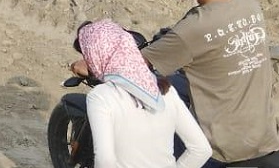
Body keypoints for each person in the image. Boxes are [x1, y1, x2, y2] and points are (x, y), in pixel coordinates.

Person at [70, 0, 279, 166]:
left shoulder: (191, 30)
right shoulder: (250, 5)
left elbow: (128, 65)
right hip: (262, 136)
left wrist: (89, 64)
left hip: (222, 148)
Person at [76, 19, 210, 168]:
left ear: (95, 57)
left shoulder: (101, 96)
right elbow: (201, 150)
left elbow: (105, 161)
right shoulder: (165, 89)